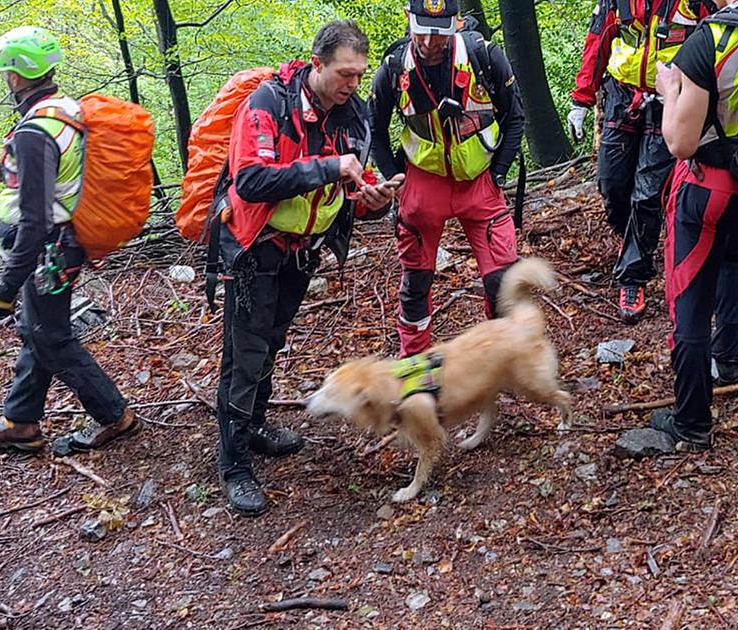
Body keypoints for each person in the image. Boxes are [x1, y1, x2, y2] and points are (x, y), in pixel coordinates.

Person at [213, 20, 399, 516]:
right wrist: (330, 167)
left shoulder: (352, 114)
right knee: (246, 353)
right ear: (316, 64)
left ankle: (254, 427)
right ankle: (233, 464)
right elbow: (250, 179)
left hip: (302, 249)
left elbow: (351, 189)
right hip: (255, 249)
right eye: (344, 74)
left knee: (272, 341)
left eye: (359, 75)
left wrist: (374, 200)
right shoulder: (267, 105)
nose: (353, 85)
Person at [0, 27, 140, 454]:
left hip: (47, 251)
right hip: (62, 245)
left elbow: (34, 220)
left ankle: (115, 415)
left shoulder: (35, 130)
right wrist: (0, 172)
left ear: (15, 77)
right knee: (39, 329)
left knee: (50, 336)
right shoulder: (65, 111)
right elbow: (57, 170)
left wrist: (5, 288)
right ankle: (21, 420)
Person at [369, 0, 525, 357]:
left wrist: (499, 173)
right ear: (409, 20)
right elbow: (373, 129)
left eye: (438, 34)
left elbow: (515, 117)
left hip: (479, 181)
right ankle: (415, 364)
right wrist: (395, 180)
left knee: (503, 279)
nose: (428, 43)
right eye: (422, 31)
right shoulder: (394, 68)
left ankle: (500, 353)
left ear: (455, 23)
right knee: (416, 282)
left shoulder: (483, 57)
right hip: (423, 183)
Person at [648, 0, 738, 451]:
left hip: (711, 192)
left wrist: (668, 91)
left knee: (689, 298)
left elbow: (681, 142)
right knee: (734, 251)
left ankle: (693, 421)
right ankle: (731, 358)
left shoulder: (712, 39)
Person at [567, 0, 714, 323]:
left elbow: (715, 45)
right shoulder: (617, 2)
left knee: (648, 194)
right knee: (612, 184)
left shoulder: (694, 4)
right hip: (622, 95)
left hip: (670, 99)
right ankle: (634, 241)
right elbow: (597, 42)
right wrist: (581, 99)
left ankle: (633, 278)